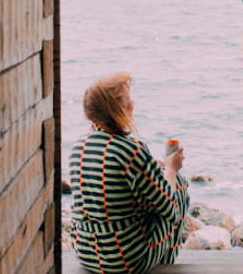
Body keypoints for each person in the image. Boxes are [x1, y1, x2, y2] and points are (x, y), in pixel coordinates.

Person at [69, 73, 189, 274]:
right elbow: (169, 207)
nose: (133, 103)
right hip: (124, 260)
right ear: (117, 110)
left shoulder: (78, 146)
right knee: (179, 187)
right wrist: (171, 168)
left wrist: (152, 167)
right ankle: (165, 268)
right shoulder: (132, 150)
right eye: (128, 99)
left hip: (85, 252)